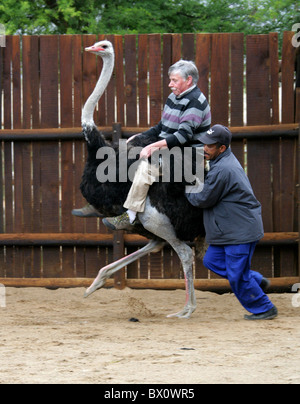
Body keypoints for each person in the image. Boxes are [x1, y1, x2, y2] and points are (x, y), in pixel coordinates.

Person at [101, 59, 211, 230]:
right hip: (173, 151)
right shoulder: (174, 97)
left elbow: (183, 136)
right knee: (130, 155)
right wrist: (140, 137)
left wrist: (152, 147)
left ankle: (130, 215)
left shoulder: (196, 101)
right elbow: (161, 127)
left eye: (174, 80)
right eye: (170, 80)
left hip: (189, 157)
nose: (170, 84)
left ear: (188, 80)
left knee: (146, 166)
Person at [185, 124, 278, 320]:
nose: (204, 148)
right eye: (204, 144)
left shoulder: (223, 169)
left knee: (236, 276)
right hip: (229, 230)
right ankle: (255, 281)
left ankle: (264, 308)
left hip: (239, 231)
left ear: (222, 148)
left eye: (209, 146)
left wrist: (187, 188)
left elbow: (202, 199)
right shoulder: (220, 161)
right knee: (212, 260)